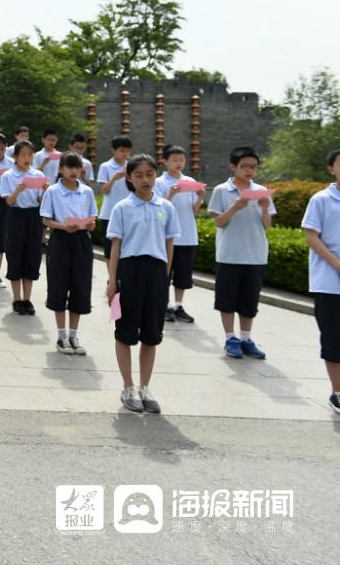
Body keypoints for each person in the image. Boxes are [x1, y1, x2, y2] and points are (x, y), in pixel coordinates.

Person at [106, 154, 179, 413]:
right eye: (138, 175)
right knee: (125, 331)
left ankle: (144, 387)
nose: (145, 179)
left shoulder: (166, 207)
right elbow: (115, 247)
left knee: (152, 334)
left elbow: (170, 245)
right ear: (128, 178)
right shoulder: (122, 208)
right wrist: (112, 282)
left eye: (150, 174)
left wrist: (165, 278)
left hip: (156, 272)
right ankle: (128, 386)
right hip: (130, 270)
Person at [208, 146, 275, 359]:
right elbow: (218, 222)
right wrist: (236, 207)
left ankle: (246, 338)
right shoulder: (221, 190)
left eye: (253, 167)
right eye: (244, 166)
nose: (249, 171)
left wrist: (264, 208)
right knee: (227, 299)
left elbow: (267, 226)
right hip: (229, 254)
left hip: (255, 254)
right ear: (233, 166)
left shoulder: (261, 191)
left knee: (249, 300)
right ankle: (230, 338)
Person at [40, 153, 98, 355]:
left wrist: (89, 225)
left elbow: (93, 219)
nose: (74, 171)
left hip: (82, 241)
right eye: (69, 167)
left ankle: (74, 335)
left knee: (80, 286)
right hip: (61, 240)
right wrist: (64, 227)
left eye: (77, 167)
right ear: (61, 169)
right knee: (59, 285)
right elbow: (46, 220)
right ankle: (61, 336)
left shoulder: (87, 192)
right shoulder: (53, 191)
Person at [301, 148, 340, 414]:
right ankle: (337, 392)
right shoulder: (321, 200)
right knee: (334, 340)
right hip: (329, 282)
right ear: (331, 169)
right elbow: (312, 237)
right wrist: (338, 265)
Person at [155, 145, 203, 323]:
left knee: (183, 275)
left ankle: (178, 306)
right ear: (165, 161)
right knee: (165, 273)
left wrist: (200, 197)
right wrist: (171, 194)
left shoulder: (190, 181)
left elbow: (194, 210)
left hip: (188, 235)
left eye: (181, 160)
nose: (179, 163)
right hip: (167, 236)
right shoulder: (160, 183)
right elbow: (158, 209)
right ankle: (164, 305)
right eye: (174, 160)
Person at [1, 140, 47, 315]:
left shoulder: (37, 174)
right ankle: (16, 299)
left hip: (33, 217)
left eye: (30, 154)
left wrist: (44, 191)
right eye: (23, 155)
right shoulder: (8, 175)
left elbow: (39, 201)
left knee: (32, 256)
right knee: (15, 255)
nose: (27, 158)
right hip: (16, 217)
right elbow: (9, 201)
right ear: (16, 157)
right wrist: (18, 190)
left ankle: (27, 299)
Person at [95, 136, 133, 259]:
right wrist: (114, 179)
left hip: (129, 212)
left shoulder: (132, 166)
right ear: (113, 150)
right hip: (109, 213)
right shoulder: (106, 166)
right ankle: (112, 277)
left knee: (128, 247)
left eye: (127, 151)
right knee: (110, 249)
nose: (125, 154)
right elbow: (104, 190)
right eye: (122, 150)